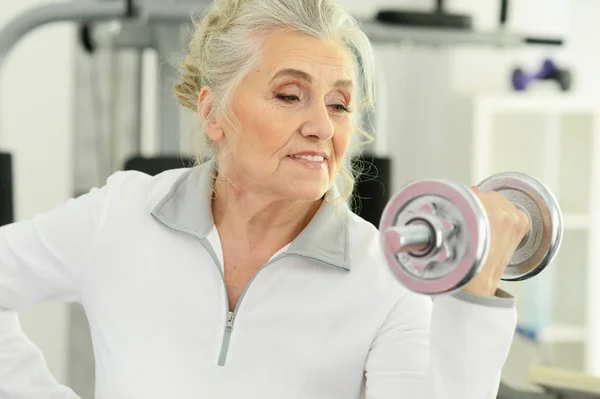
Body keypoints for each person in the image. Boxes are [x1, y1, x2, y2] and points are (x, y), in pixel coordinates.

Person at [0, 0, 531, 398]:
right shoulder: (120, 216)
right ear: (213, 114)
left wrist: (475, 295)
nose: (322, 126)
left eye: (340, 104)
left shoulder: (386, 279)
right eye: (289, 95)